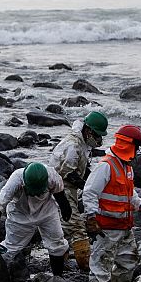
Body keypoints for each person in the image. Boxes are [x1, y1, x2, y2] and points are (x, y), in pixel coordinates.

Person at [83, 124, 141, 282]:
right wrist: (91, 218)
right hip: (106, 228)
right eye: (136, 147)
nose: (137, 152)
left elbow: (130, 193)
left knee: (128, 261)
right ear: (129, 145)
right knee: (101, 265)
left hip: (124, 227)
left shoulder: (127, 168)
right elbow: (89, 192)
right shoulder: (106, 166)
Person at [0, 163, 72, 276]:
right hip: (20, 214)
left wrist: (66, 208)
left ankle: (58, 278)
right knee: (10, 248)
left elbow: (59, 194)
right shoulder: (16, 179)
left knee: (57, 243)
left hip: (46, 211)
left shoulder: (52, 176)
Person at [49, 111, 109, 271]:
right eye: (97, 135)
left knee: (66, 225)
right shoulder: (73, 145)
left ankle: (59, 253)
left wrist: (94, 182)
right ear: (88, 130)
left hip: (69, 189)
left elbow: (82, 169)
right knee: (76, 226)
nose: (99, 140)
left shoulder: (82, 143)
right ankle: (86, 264)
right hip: (62, 189)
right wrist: (88, 187)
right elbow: (67, 172)